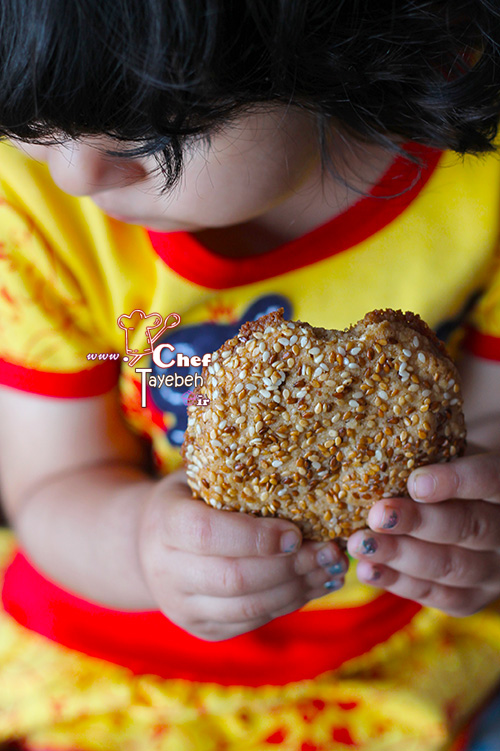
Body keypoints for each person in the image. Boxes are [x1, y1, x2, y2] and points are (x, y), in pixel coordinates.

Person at [0, 1, 500, 749]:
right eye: (26, 120)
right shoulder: (36, 208)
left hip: (384, 656)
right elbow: (49, 486)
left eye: (159, 133)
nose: (74, 173)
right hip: (109, 653)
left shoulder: (480, 188)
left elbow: (484, 428)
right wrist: (143, 545)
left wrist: (472, 531)